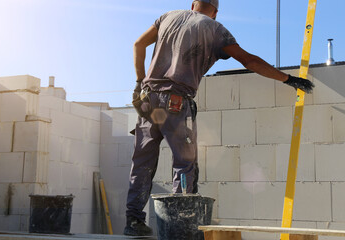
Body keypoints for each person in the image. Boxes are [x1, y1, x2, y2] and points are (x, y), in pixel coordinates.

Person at [124, 0, 314, 236]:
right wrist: (288, 79)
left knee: (141, 163)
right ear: (215, 12)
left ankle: (133, 221)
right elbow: (249, 61)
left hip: (148, 101)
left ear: (193, 4)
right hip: (176, 103)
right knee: (185, 164)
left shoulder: (168, 16)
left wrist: (138, 83)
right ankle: (181, 227)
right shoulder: (215, 29)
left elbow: (138, 43)